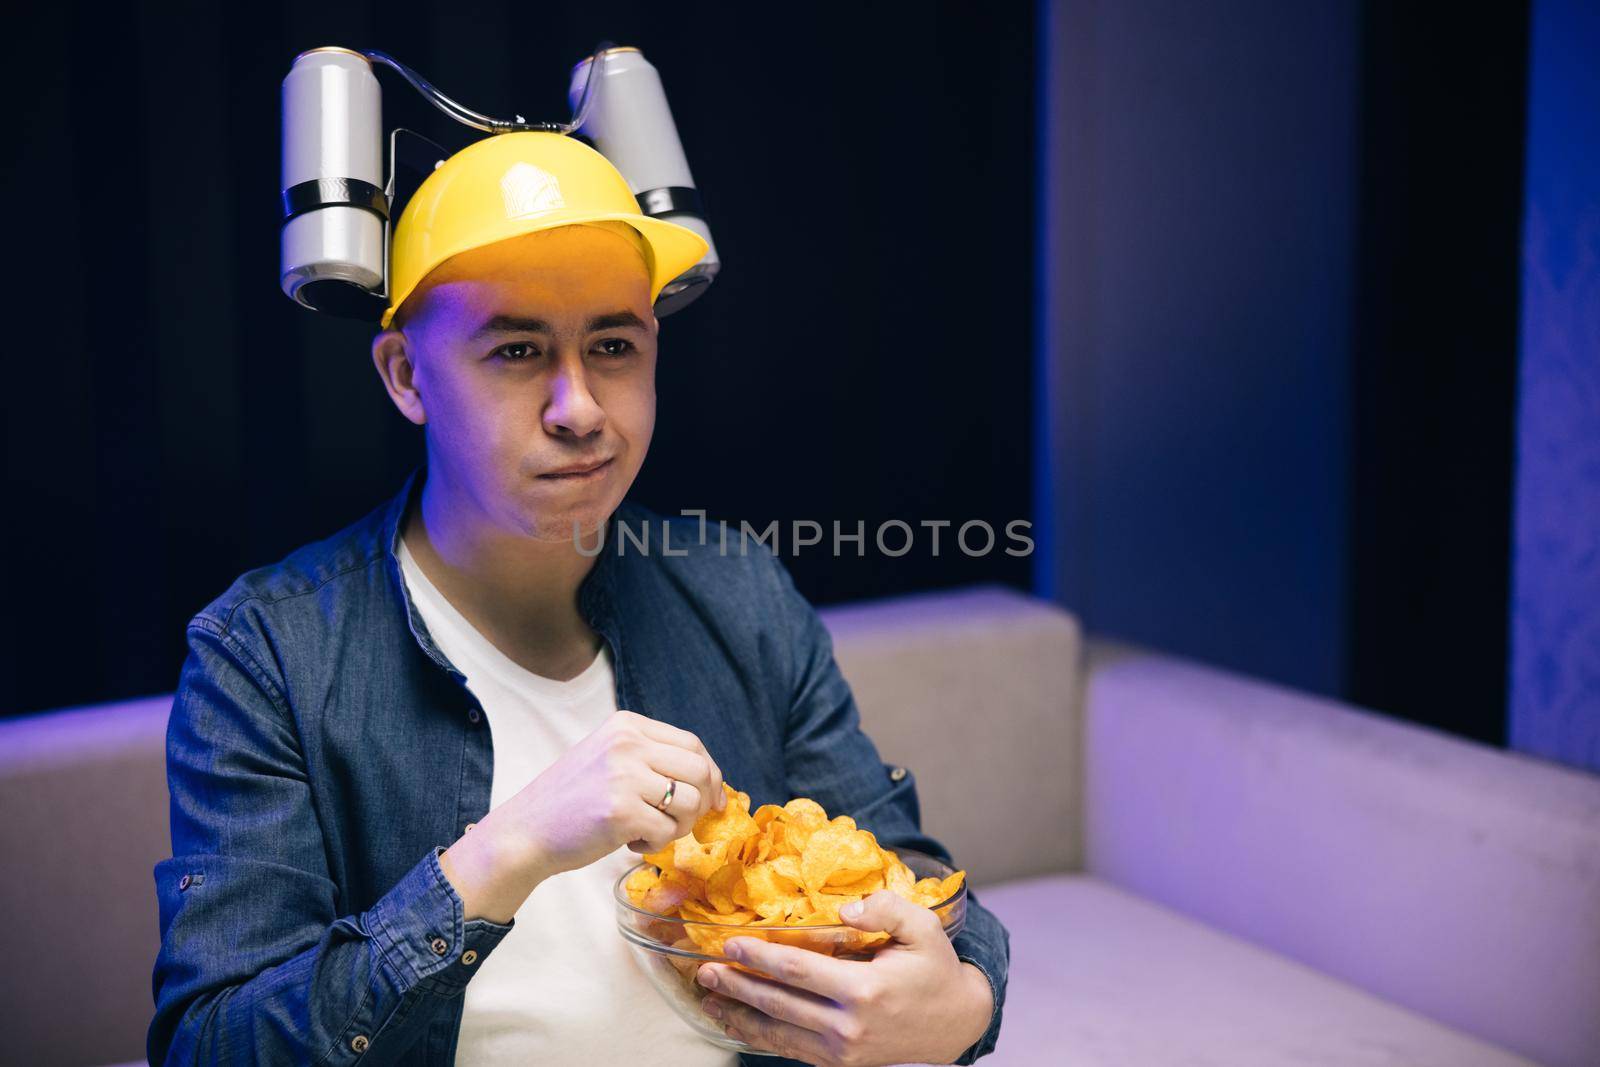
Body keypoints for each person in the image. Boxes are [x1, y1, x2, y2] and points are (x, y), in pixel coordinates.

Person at [149, 131, 1009, 1066]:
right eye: (518, 349)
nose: (581, 407)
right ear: (404, 374)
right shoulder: (267, 653)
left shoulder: (737, 589)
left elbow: (914, 879)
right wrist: (502, 852)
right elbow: (210, 1044)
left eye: (612, 344)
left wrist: (963, 1001)